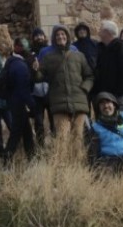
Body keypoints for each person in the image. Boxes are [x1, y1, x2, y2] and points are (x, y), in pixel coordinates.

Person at [38, 25, 94, 158]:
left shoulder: (79, 56)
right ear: (54, 38)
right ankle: (63, 165)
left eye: (63, 34)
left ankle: (77, 164)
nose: (60, 37)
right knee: (62, 138)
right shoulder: (48, 58)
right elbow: (39, 77)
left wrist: (84, 89)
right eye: (57, 35)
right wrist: (35, 70)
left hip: (79, 102)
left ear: (67, 37)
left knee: (78, 137)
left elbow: (89, 76)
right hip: (59, 102)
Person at [1, 39, 36, 161]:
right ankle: (7, 160)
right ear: (15, 47)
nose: (24, 48)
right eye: (21, 46)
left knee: (27, 133)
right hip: (19, 104)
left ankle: (32, 159)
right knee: (16, 134)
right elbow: (23, 89)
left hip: (14, 102)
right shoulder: (19, 65)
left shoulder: (11, 62)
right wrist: (33, 106)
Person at [93, 20, 123, 114]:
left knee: (121, 121)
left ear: (107, 32)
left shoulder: (121, 47)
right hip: (105, 96)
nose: (98, 32)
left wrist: (121, 94)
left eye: (101, 30)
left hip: (118, 96)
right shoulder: (102, 48)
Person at [29, 27, 52, 146]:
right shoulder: (30, 53)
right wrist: (33, 70)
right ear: (33, 38)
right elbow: (28, 73)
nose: (39, 38)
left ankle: (56, 145)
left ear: (44, 37)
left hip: (50, 91)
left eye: (41, 35)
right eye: (36, 36)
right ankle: (41, 146)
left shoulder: (50, 50)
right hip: (36, 93)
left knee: (53, 120)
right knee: (38, 122)